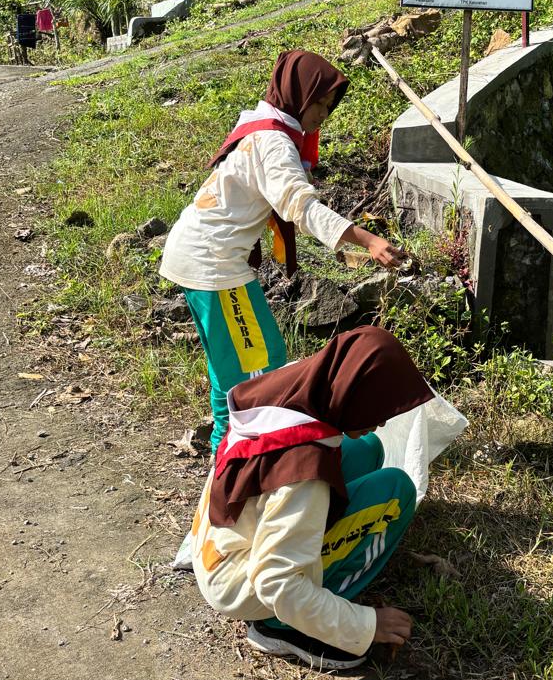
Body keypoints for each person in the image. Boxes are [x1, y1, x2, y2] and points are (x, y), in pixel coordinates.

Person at [159, 50, 405, 454]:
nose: (324, 114)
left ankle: (225, 451)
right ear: (298, 95)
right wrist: (368, 240)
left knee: (232, 369)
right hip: (213, 263)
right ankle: (243, 457)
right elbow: (300, 208)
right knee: (260, 367)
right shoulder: (274, 142)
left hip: (199, 253)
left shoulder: (264, 127)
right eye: (320, 103)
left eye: (329, 105)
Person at [189, 326, 432, 669]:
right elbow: (278, 584)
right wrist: (365, 625)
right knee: (397, 492)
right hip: (241, 586)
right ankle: (280, 627)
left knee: (366, 447)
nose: (379, 423)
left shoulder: (293, 384)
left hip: (215, 545)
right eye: (376, 411)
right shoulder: (304, 474)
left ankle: (295, 573)